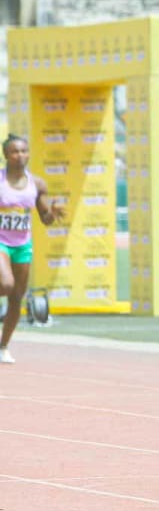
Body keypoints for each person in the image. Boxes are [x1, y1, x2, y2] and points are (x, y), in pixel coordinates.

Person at [1, 135, 66, 364]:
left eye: (23, 151)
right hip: (1, 242)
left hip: (22, 245)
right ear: (6, 155)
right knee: (6, 285)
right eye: (15, 152)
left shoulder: (37, 184)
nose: (20, 155)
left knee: (17, 297)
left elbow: (45, 219)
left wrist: (53, 213)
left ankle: (3, 346)